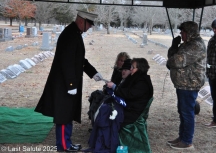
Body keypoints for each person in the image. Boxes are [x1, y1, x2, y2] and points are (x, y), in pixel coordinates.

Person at [34, 10, 103, 152]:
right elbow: (67, 62)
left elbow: (79, 60)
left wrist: (93, 72)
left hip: (68, 83)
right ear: (82, 21)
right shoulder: (70, 35)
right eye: (89, 24)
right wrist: (71, 84)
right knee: (64, 115)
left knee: (68, 113)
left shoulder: (74, 33)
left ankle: (67, 142)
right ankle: (64, 145)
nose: (90, 27)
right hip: (64, 84)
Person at [166, 21, 206, 149]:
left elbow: (177, 61)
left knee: (187, 112)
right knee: (183, 112)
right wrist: (174, 46)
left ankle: (187, 141)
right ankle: (182, 137)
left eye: (183, 32)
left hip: (190, 84)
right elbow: (172, 57)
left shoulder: (196, 45)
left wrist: (170, 61)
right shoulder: (187, 44)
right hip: (183, 84)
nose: (181, 34)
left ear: (190, 32)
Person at [107, 58, 154, 126]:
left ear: (140, 68)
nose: (131, 69)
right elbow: (125, 90)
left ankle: (108, 136)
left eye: (133, 67)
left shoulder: (142, 82)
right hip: (129, 107)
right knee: (105, 107)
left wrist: (114, 87)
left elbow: (128, 94)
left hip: (132, 112)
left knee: (107, 113)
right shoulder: (137, 78)